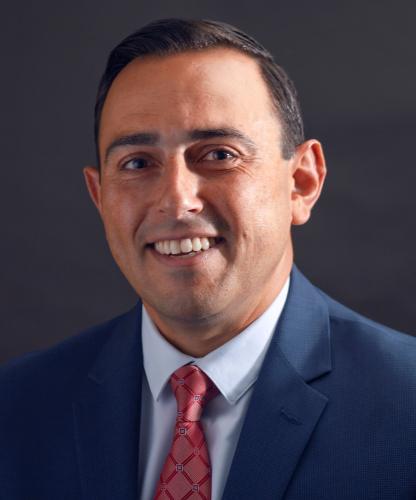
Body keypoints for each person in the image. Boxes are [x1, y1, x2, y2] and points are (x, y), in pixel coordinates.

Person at [1, 18, 415, 500]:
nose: (177, 202)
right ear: (100, 197)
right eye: (137, 163)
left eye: (219, 155)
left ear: (301, 183)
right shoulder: (16, 408)